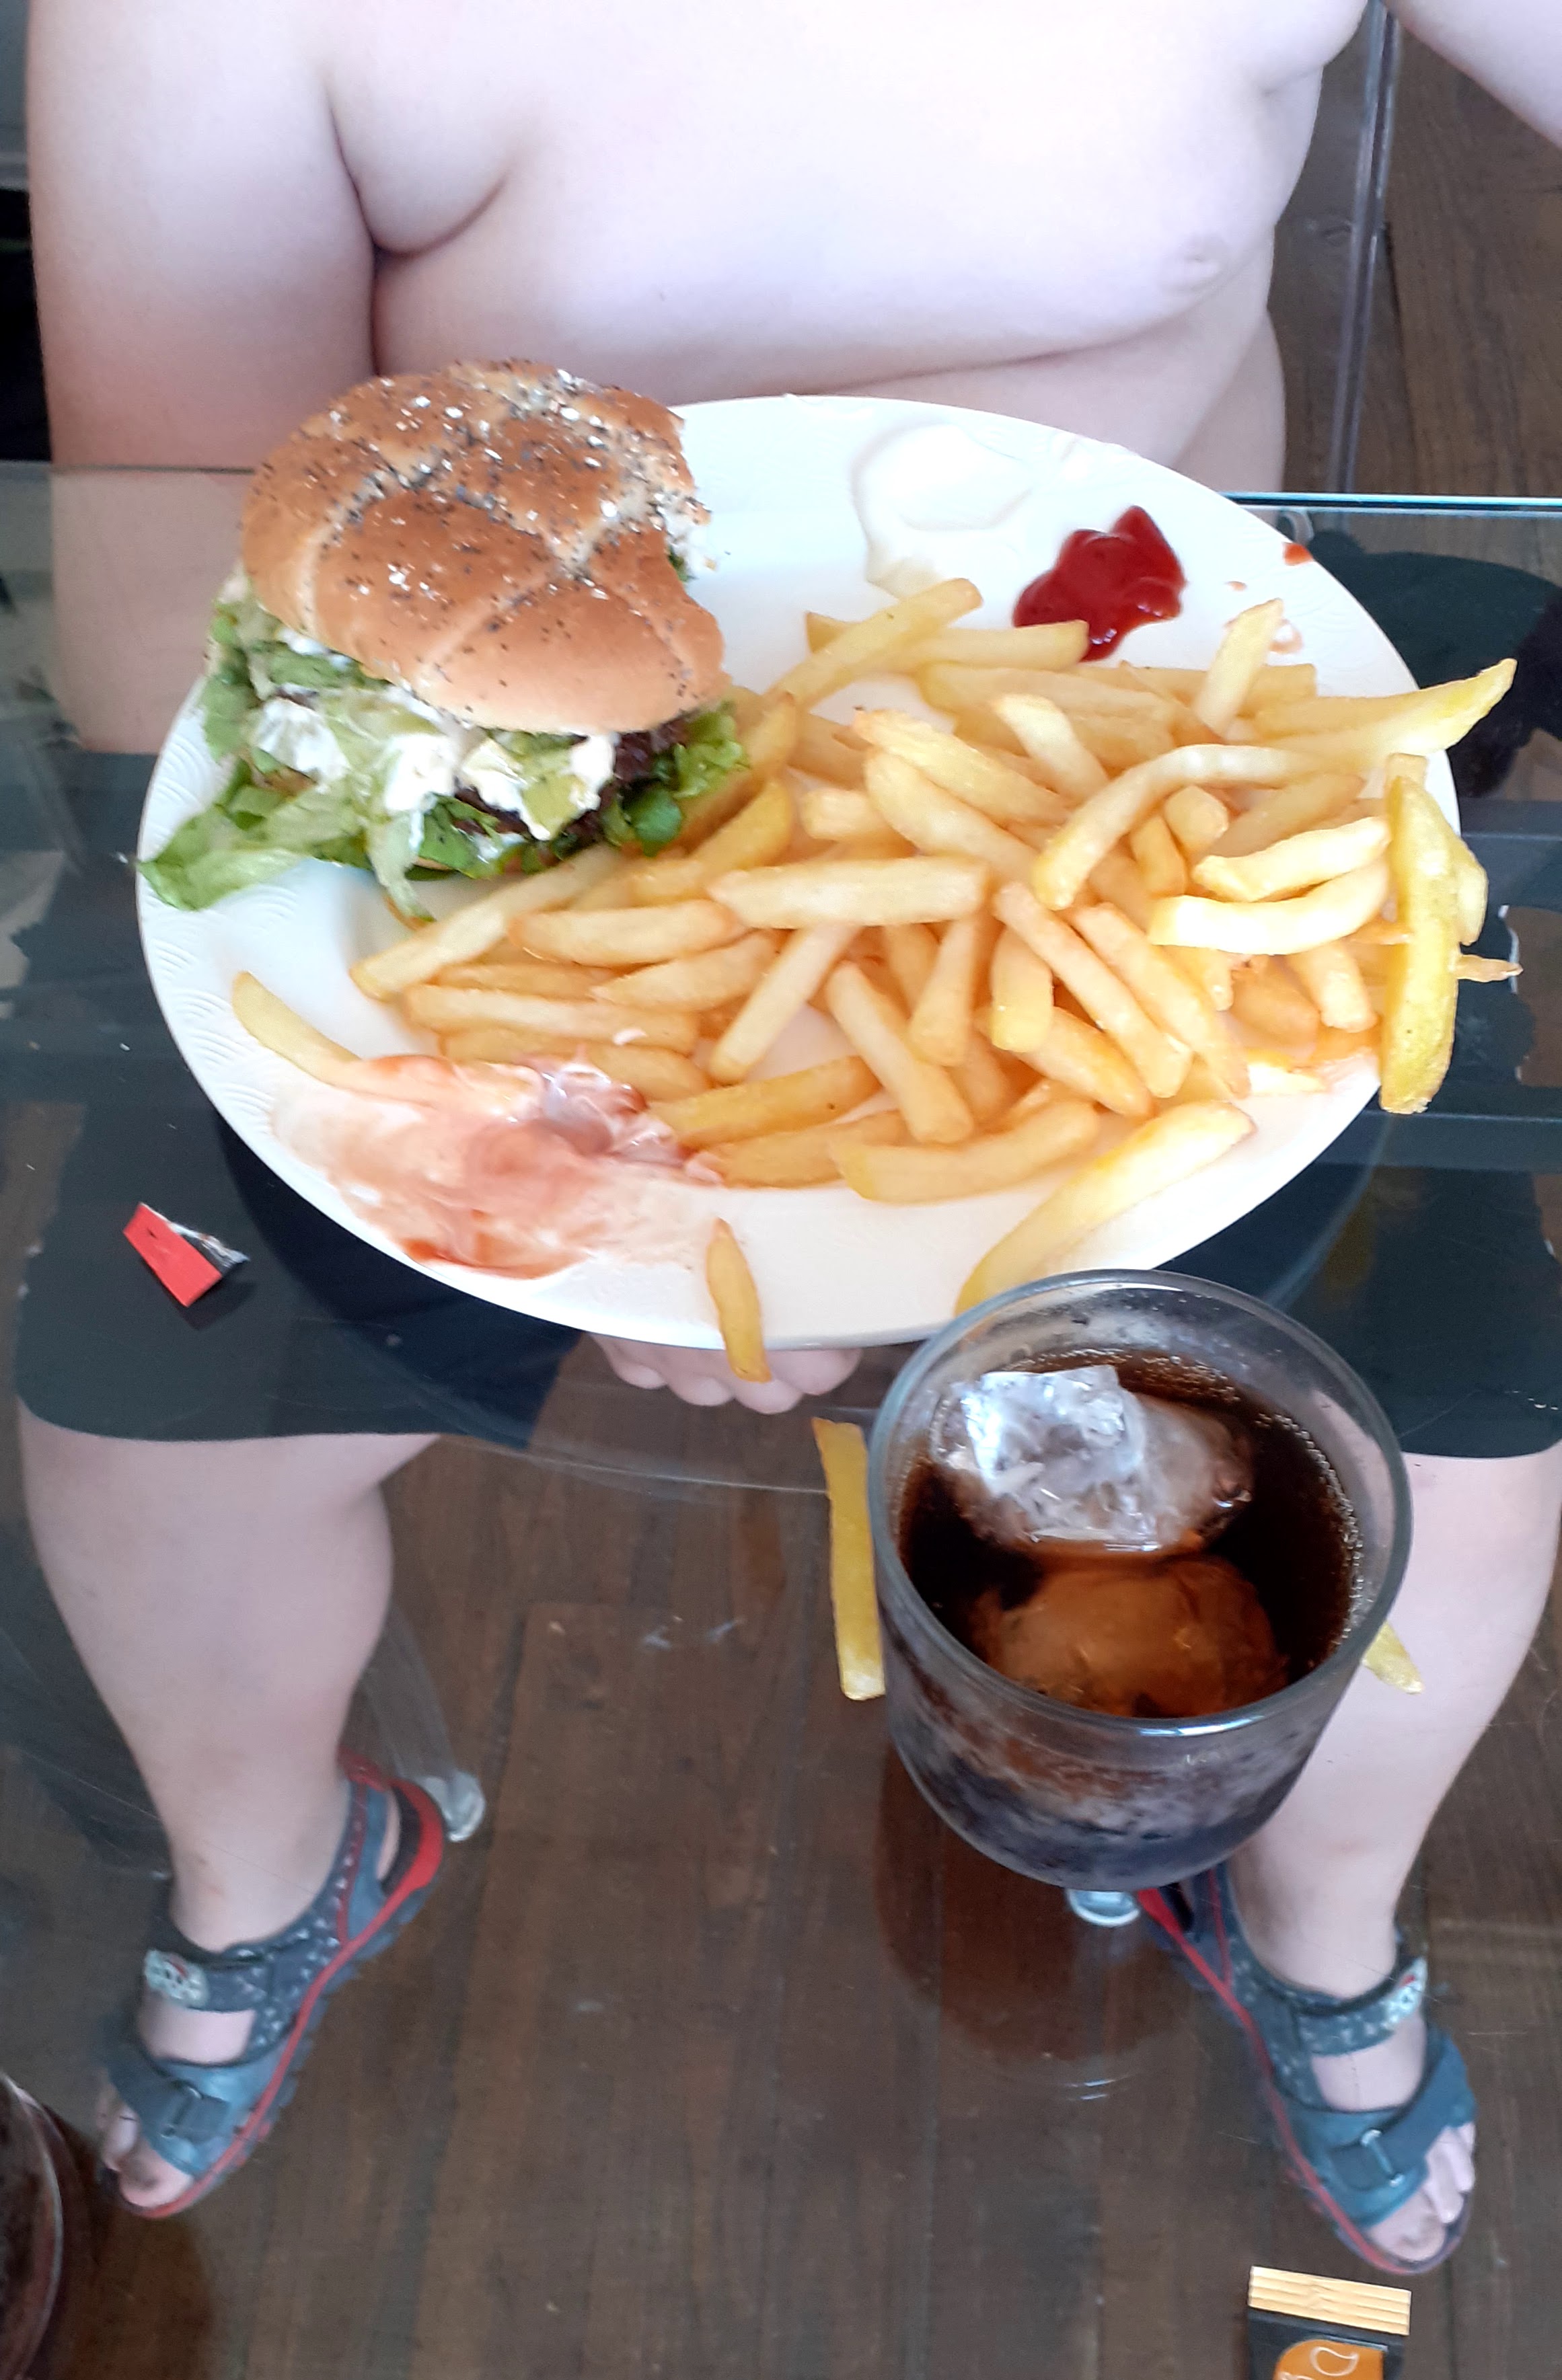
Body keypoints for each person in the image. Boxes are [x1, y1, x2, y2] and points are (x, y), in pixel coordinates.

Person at [20, 0, 1562, 2254]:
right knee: (133, 1442)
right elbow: (159, 588)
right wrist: (601, 1194)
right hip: (492, 886)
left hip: (1149, 830)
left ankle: (1315, 1925)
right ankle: (272, 1874)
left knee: (1465, 1474)